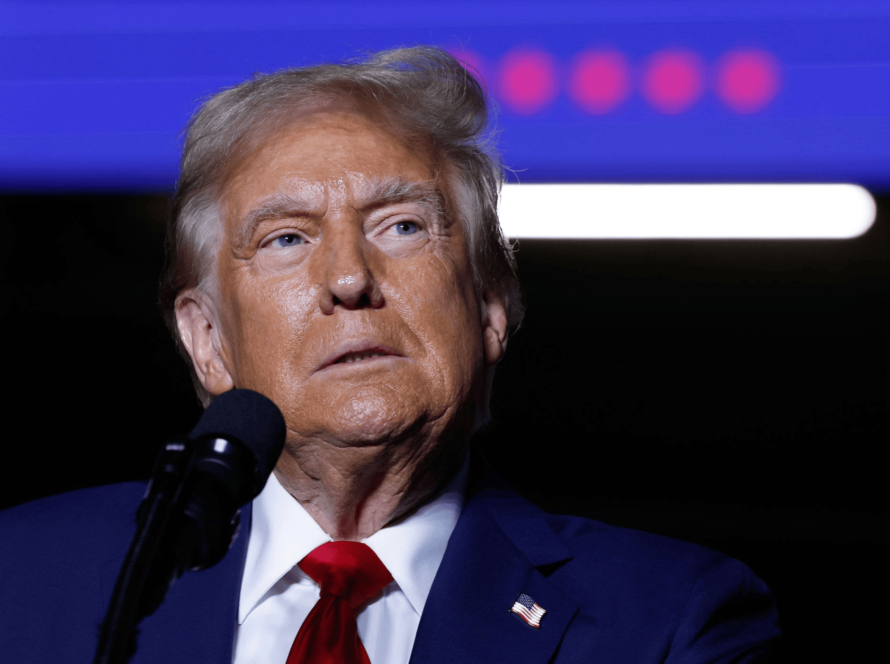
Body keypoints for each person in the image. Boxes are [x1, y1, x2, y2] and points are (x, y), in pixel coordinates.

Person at [0, 47, 780, 663]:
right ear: (208, 342)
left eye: (401, 226)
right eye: (286, 238)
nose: (348, 278)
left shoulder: (670, 621)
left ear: (490, 308)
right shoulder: (21, 580)